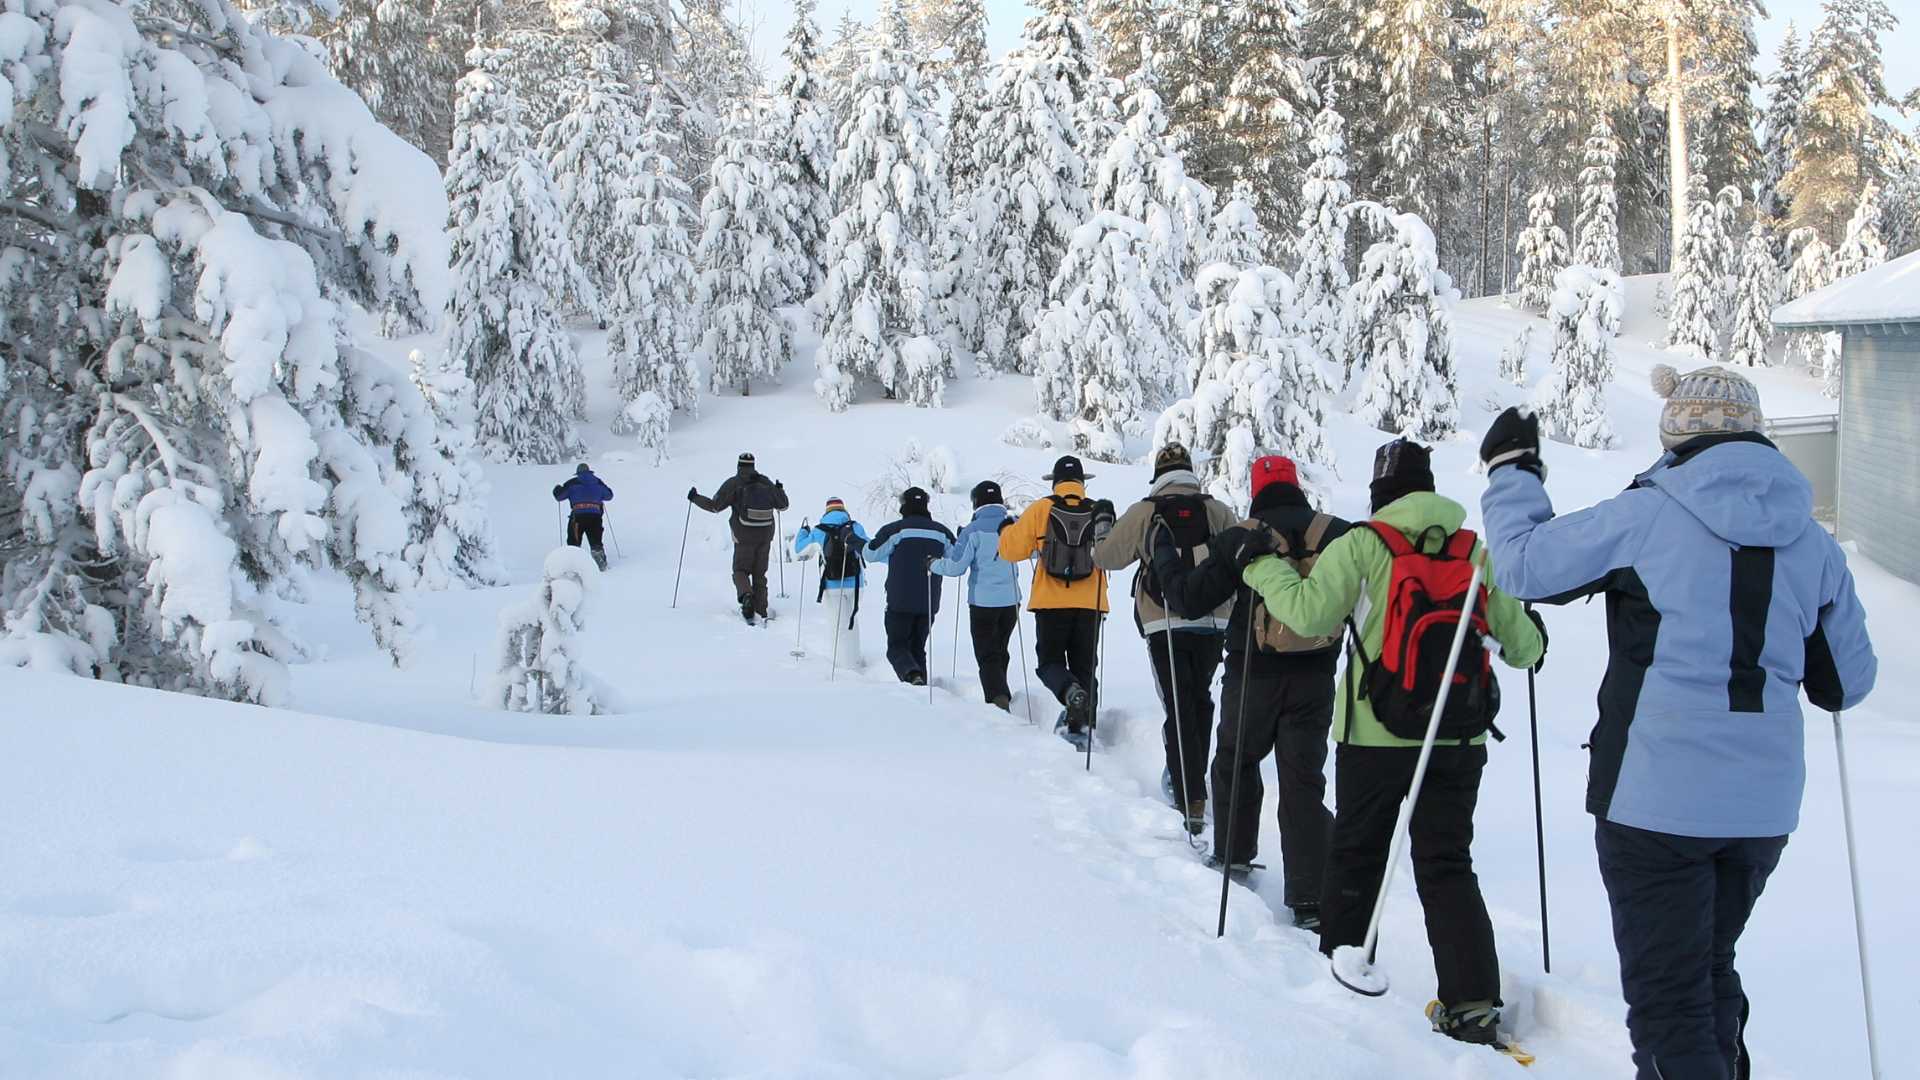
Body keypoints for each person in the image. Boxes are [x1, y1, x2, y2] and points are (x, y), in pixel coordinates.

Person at [1477, 366, 1877, 1080]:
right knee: (1704, 972)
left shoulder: (1648, 514)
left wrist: (1513, 472)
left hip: (1654, 800)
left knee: (1670, 1005)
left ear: (1675, 436)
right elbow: (1847, 684)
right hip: (1760, 811)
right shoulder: (1811, 542)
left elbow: (1523, 566)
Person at [1241, 439, 1543, 1046]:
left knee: (1358, 853)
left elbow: (1308, 613)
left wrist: (1258, 566)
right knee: (1448, 862)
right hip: (1458, 737)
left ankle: (1341, 979)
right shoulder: (1473, 550)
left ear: (1380, 494)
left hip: (1375, 733)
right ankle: (1473, 1004)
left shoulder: (1364, 543)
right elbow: (1525, 648)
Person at [1153, 455, 1350, 928]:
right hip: (1318, 674)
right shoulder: (1337, 533)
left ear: (1256, 488)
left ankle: (1233, 857)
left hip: (1252, 672)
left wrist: (1163, 554)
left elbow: (1189, 598)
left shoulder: (1242, 537)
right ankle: (1308, 897)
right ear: (1296, 486)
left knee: (1236, 761)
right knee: (1303, 779)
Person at [1093, 442, 1236, 834]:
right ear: (1190, 472)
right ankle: (1194, 784)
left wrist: (1103, 523)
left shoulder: (1146, 511)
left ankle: (1186, 790)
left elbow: (1105, 558)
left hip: (1163, 621)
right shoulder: (1216, 510)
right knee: (1200, 698)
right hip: (1213, 620)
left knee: (1178, 703)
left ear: (1159, 474)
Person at [998, 455, 1114, 748]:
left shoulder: (1041, 509)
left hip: (1050, 602)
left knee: (1049, 661)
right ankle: (1084, 726)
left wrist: (1004, 530)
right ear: (1082, 483)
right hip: (1091, 603)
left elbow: (1011, 550)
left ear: (1056, 481)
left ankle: (1069, 692)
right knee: (1086, 666)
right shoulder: (1098, 512)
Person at [933, 481, 1022, 709]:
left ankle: (997, 699)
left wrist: (933, 564)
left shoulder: (972, 531)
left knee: (987, 653)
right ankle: (1001, 692)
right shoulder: (1015, 525)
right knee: (1000, 649)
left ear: (976, 502)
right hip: (1012, 602)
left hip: (983, 603)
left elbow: (955, 567)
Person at [866, 487, 957, 686]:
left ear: (904, 504)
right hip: (929, 601)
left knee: (897, 647)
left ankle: (911, 676)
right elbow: (956, 559)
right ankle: (920, 684)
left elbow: (871, 554)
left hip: (900, 600)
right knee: (918, 647)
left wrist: (856, 541)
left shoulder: (896, 529)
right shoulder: (942, 532)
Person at [689, 452, 789, 624]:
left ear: (738, 465)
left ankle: (746, 595)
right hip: (765, 536)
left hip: (743, 535)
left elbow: (715, 507)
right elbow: (784, 505)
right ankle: (762, 612)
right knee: (760, 574)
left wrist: (695, 498)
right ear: (753, 465)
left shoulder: (734, 484)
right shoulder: (765, 481)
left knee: (740, 570)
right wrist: (779, 489)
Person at [794, 498, 869, 669]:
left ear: (827, 512)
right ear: (844, 510)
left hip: (831, 585)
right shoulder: (855, 527)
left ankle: (844, 667)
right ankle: (855, 660)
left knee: (838, 625)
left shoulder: (819, 530)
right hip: (856, 584)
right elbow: (868, 547)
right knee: (852, 621)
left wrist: (803, 532)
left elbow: (800, 550)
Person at [552, 463, 613, 570]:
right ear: (589, 471)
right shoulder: (598, 482)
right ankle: (600, 564)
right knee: (596, 541)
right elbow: (609, 495)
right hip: (595, 516)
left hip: (577, 517)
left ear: (578, 473)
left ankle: (572, 566)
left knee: (573, 542)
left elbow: (559, 496)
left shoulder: (572, 483)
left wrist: (557, 489)